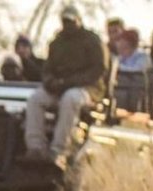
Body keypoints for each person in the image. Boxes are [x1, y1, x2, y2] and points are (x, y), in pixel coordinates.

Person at [23, 5, 107, 164]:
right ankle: (36, 147)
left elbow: (98, 70)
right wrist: (50, 82)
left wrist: (70, 82)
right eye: (65, 21)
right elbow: (47, 69)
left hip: (88, 89)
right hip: (59, 87)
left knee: (71, 99)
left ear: (78, 20)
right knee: (35, 99)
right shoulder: (57, 42)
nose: (68, 24)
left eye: (71, 20)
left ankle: (59, 149)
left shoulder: (92, 41)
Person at [113, 28, 151, 112]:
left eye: (121, 41)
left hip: (137, 90)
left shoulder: (142, 56)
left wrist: (119, 68)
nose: (118, 44)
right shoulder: (119, 58)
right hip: (120, 91)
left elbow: (138, 69)